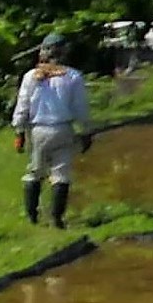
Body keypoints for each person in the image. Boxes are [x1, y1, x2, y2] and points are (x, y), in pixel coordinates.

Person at [10, 36, 92, 229]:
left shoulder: (31, 77)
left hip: (38, 131)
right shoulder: (73, 77)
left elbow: (23, 105)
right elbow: (81, 109)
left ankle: (32, 216)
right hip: (63, 129)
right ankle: (56, 218)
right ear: (64, 52)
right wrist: (87, 131)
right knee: (61, 174)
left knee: (35, 172)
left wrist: (19, 131)